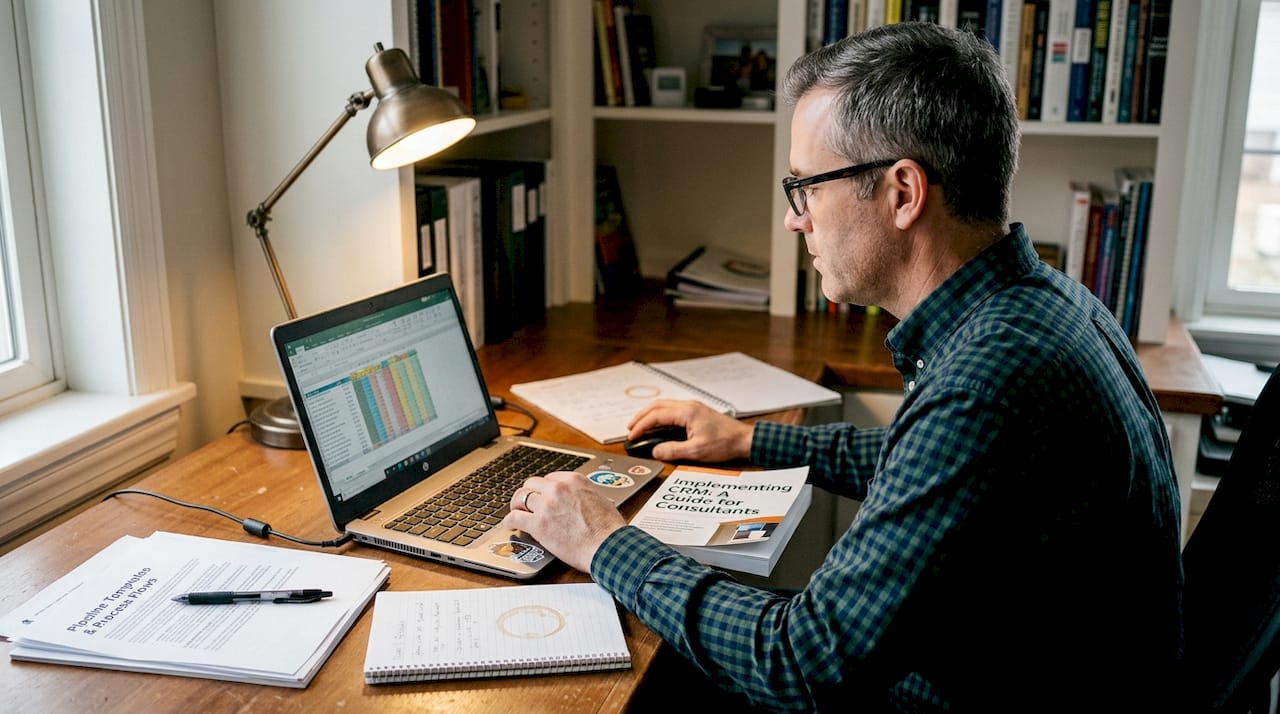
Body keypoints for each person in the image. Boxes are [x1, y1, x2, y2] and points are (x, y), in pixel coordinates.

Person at [504, 22, 1182, 712]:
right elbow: (926, 463)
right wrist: (749, 440)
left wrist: (605, 542)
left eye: (805, 186)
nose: (796, 220)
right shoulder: (1045, 304)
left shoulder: (989, 382)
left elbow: (802, 663)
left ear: (903, 193)